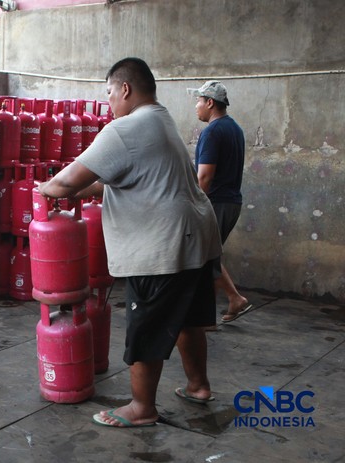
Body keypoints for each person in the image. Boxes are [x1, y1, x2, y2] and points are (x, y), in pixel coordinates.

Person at [38, 58, 222, 427]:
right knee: (188, 320)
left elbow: (65, 182)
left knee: (147, 327)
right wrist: (82, 192)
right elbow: (121, 178)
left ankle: (141, 408)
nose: (108, 102)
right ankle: (198, 385)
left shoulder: (125, 129)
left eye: (109, 93)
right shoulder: (160, 118)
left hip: (163, 247)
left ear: (125, 89)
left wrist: (44, 189)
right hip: (198, 236)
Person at [188, 81, 253, 323]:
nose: (196, 107)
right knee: (209, 257)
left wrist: (193, 205)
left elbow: (204, 175)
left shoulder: (212, 132)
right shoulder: (234, 128)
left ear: (210, 103)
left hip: (216, 202)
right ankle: (230, 302)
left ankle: (210, 315)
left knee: (203, 259)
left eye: (198, 101)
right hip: (231, 202)